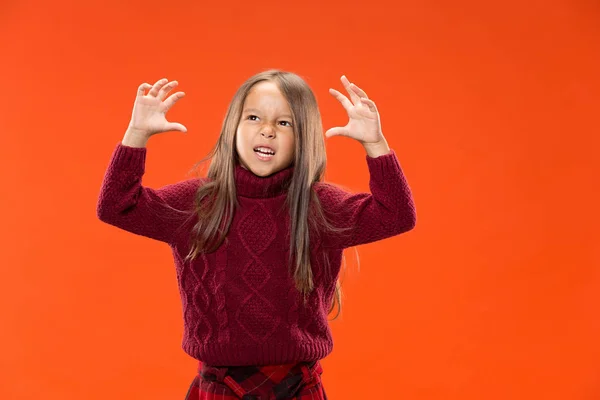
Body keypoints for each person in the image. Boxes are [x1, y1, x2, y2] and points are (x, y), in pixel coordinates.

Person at [96, 70, 416, 399]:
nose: (266, 130)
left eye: (284, 123)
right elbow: (117, 207)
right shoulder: (199, 204)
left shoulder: (318, 207)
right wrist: (136, 134)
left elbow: (396, 215)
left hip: (296, 387)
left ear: (305, 137)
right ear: (233, 127)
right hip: (218, 387)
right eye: (253, 117)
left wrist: (375, 144)